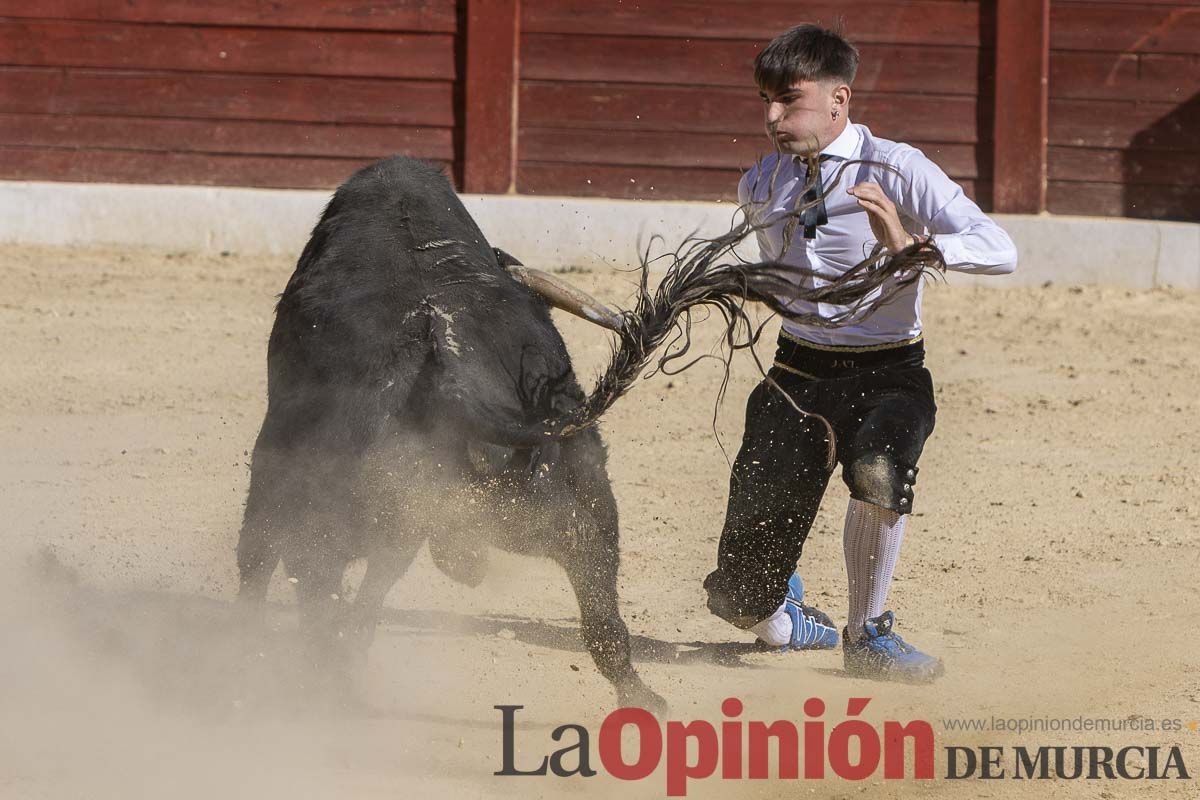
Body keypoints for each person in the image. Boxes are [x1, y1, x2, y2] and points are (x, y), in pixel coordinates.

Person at [702, 24, 1017, 682]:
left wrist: (912, 246)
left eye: (788, 100)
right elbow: (791, 286)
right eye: (764, 101)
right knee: (737, 600)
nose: (771, 117)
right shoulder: (762, 183)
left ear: (838, 99)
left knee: (878, 468)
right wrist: (749, 287)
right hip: (796, 371)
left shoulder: (898, 167)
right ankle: (786, 618)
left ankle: (868, 633)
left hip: (887, 370)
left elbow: (999, 247)